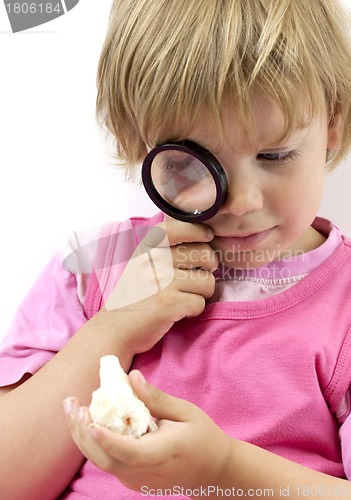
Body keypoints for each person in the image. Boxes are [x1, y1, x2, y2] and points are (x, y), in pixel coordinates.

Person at [1, 0, 351, 498]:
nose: (242, 203)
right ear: (138, 141)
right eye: (191, 163)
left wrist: (225, 470)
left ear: (332, 122)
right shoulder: (92, 271)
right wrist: (113, 329)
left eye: (275, 155)